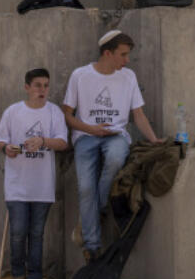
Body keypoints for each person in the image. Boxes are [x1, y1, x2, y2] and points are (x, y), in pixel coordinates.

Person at [62, 31, 161, 260]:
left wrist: (154, 139)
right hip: (86, 136)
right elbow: (67, 115)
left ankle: (92, 215)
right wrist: (91, 129)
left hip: (116, 135)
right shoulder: (80, 75)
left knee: (116, 158)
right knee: (85, 188)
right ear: (107, 53)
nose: (127, 60)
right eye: (123, 55)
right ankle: (92, 248)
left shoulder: (128, 77)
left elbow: (138, 115)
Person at [0, 68, 69, 279]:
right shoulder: (13, 112)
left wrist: (43, 141)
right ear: (27, 87)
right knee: (17, 234)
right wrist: (7, 148)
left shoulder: (54, 112)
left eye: (46, 85)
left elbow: (63, 142)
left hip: (42, 185)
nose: (42, 90)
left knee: (36, 235)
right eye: (37, 85)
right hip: (17, 185)